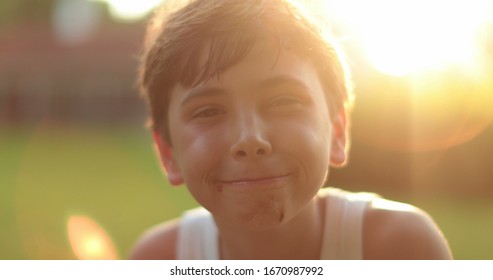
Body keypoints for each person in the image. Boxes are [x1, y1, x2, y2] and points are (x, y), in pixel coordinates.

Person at [130, 0, 452, 260]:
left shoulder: (401, 250)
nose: (250, 139)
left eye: (284, 101)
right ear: (168, 154)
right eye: (209, 111)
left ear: (337, 132)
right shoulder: (160, 259)